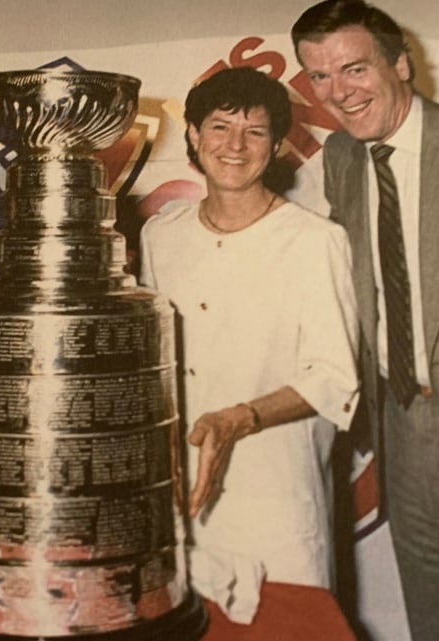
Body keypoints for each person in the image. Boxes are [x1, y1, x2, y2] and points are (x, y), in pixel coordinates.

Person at [139, 66, 359, 602]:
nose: (235, 146)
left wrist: (240, 418)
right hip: (181, 493)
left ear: (277, 144)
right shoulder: (159, 234)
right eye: (219, 127)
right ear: (193, 135)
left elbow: (334, 378)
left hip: (277, 494)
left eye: (255, 132)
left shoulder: (315, 242)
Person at [292, 2, 439, 639]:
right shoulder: (343, 160)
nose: (339, 93)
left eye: (354, 68)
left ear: (402, 64)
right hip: (404, 409)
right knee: (425, 574)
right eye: (319, 77)